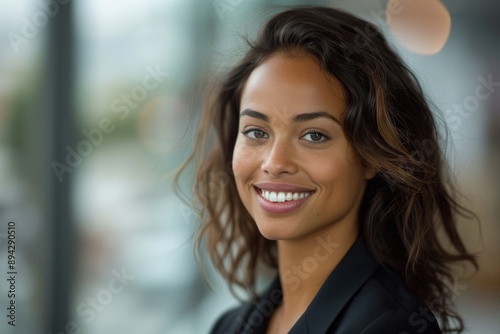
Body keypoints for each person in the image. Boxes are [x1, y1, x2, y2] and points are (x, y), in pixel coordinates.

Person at [176, 5, 478, 334]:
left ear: (372, 157)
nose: (275, 163)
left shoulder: (390, 326)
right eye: (256, 132)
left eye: (314, 135)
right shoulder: (229, 326)